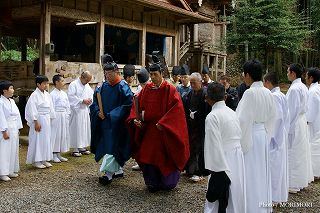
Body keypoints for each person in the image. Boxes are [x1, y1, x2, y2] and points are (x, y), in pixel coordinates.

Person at [127, 56, 189, 192]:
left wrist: (164, 123)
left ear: (162, 74)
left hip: (164, 131)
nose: (153, 77)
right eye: (151, 74)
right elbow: (136, 106)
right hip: (149, 129)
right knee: (146, 154)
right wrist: (136, 119)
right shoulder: (147, 88)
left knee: (165, 155)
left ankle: (167, 183)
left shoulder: (170, 89)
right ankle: (152, 182)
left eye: (155, 74)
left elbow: (176, 111)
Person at [236, 59, 276, 213]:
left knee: (251, 173)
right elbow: (273, 117)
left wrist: (241, 143)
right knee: (261, 173)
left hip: (251, 136)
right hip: (262, 135)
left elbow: (242, 120)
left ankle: (251, 207)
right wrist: (267, 134)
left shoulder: (250, 93)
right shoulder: (267, 92)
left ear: (247, 75)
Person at [90, 54, 133, 185]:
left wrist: (112, 115)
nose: (106, 76)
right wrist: (98, 112)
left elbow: (127, 104)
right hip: (104, 123)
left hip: (117, 124)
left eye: (109, 73)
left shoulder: (123, 87)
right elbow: (95, 102)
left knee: (113, 148)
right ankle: (118, 170)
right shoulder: (102, 87)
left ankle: (108, 174)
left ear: (116, 72)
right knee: (108, 146)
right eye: (105, 73)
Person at [204, 82, 246, 213]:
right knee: (236, 190)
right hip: (237, 156)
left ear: (208, 99)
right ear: (225, 97)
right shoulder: (232, 112)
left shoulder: (212, 116)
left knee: (221, 192)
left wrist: (216, 169)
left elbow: (213, 145)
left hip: (222, 158)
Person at [286, 64, 313, 193]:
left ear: (293, 73)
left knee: (293, 152)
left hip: (295, 121)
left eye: (288, 72)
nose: (287, 74)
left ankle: (293, 182)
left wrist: (287, 128)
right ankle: (300, 181)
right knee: (300, 152)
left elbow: (292, 110)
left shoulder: (294, 89)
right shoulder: (303, 86)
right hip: (301, 120)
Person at [263, 71, 289, 203]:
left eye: (264, 82)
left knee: (274, 167)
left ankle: (273, 197)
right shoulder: (280, 95)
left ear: (267, 82)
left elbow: (277, 119)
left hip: (275, 137)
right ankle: (277, 195)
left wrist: (271, 137)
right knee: (278, 167)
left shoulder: (274, 97)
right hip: (280, 134)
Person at [182, 72, 210, 182]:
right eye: (191, 83)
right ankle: (190, 169)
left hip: (201, 125)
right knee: (191, 147)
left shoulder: (205, 94)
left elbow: (207, 110)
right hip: (191, 124)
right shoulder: (189, 94)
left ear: (200, 82)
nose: (192, 85)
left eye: (194, 83)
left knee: (199, 148)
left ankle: (199, 171)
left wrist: (196, 114)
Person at [25, 75, 56, 169]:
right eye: (44, 83)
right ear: (38, 84)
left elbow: (51, 107)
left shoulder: (47, 94)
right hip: (39, 118)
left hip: (46, 118)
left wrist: (51, 118)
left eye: (47, 83)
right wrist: (35, 121)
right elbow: (31, 109)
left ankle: (44, 158)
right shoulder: (34, 95)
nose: (46, 85)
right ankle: (36, 160)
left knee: (46, 139)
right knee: (37, 139)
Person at [0, 81, 23, 181]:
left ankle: (10, 170)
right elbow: (1, 117)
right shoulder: (0, 102)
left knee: (13, 149)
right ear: (4, 90)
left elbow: (17, 115)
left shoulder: (12, 101)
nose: (13, 90)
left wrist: (18, 127)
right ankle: (3, 172)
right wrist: (4, 130)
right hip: (6, 127)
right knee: (5, 150)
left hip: (13, 126)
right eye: (11, 88)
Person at [68, 71, 93, 157]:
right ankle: (75, 148)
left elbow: (91, 94)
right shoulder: (73, 84)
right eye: (87, 80)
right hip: (76, 110)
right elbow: (71, 97)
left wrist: (89, 100)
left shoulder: (87, 85)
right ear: (82, 77)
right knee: (76, 129)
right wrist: (82, 100)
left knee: (84, 128)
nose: (87, 82)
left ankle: (82, 146)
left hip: (84, 110)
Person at [132, 67, 150, 171]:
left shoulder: (152, 87)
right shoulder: (139, 89)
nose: (143, 86)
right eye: (142, 84)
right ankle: (140, 162)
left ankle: (148, 163)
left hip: (149, 119)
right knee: (139, 141)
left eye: (145, 84)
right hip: (140, 119)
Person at [50, 75, 70, 163]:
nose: (63, 82)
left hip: (63, 115)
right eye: (62, 81)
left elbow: (67, 105)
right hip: (56, 115)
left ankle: (59, 154)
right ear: (56, 82)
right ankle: (53, 153)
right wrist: (53, 117)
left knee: (62, 134)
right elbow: (51, 107)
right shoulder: (52, 94)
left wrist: (67, 114)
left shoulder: (64, 93)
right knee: (56, 134)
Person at [305, 67, 320, 179]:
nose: (305, 78)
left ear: (311, 78)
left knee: (314, 146)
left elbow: (311, 111)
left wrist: (306, 120)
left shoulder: (312, 91)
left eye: (306, 76)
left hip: (314, 122)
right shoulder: (317, 89)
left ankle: (315, 172)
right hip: (317, 120)